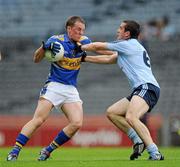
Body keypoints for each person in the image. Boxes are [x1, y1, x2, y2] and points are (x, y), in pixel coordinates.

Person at [6, 16, 99, 161]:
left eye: (83, 30)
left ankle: (47, 150)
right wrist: (43, 48)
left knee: (77, 123)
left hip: (71, 89)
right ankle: (14, 151)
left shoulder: (84, 41)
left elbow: (99, 49)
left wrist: (118, 53)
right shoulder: (55, 41)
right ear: (69, 29)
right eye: (78, 29)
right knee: (38, 120)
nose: (81, 32)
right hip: (54, 86)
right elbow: (36, 59)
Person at [81, 20, 164, 160]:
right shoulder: (127, 48)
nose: (117, 30)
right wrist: (84, 58)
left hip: (147, 87)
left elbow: (97, 46)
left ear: (127, 34)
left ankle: (154, 152)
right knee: (112, 112)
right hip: (142, 88)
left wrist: (79, 46)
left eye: (120, 28)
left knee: (131, 117)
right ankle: (138, 140)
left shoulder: (128, 44)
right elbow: (108, 58)